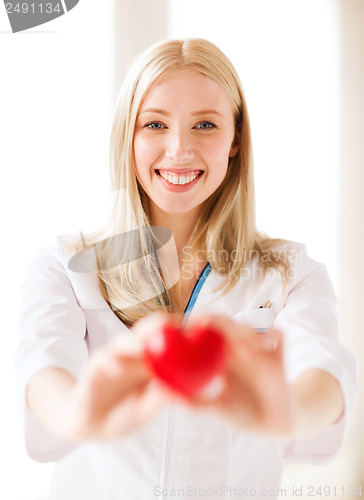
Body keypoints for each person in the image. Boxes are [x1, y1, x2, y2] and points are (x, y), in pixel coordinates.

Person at [16, 38, 356, 500]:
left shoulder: (291, 272)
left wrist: (291, 410)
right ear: (127, 135)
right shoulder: (65, 266)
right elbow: (42, 368)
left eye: (205, 125)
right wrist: (78, 410)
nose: (179, 149)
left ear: (236, 140)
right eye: (155, 123)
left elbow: (322, 371)